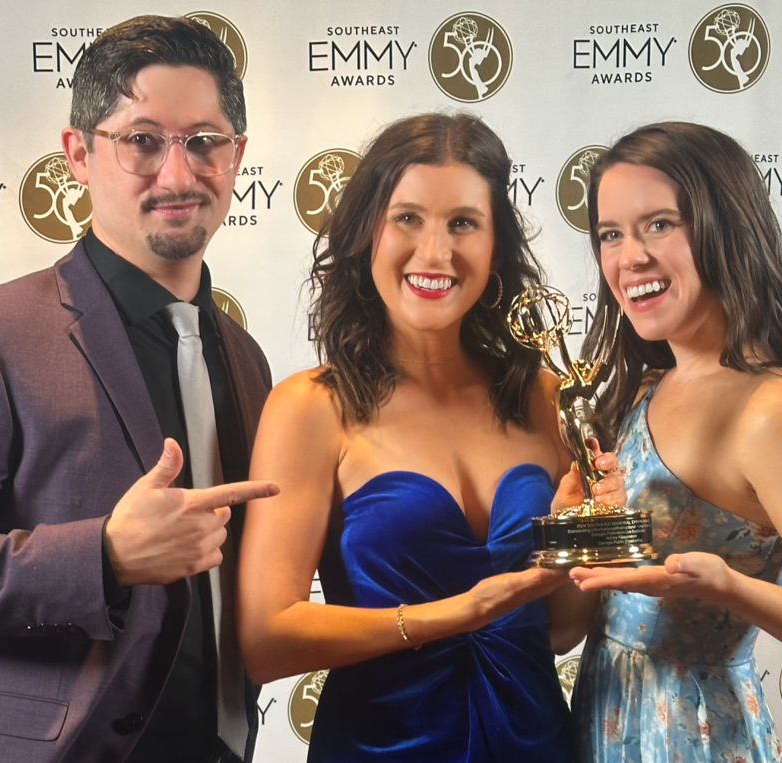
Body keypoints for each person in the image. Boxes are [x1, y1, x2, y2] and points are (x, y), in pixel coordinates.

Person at [0, 16, 278, 763]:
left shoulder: (247, 359)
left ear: (237, 157)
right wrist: (103, 555)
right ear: (78, 154)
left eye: (204, 141)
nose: (177, 173)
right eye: (142, 140)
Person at [237, 113, 625, 762]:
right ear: (367, 234)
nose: (436, 253)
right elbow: (266, 639)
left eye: (463, 223)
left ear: (496, 244)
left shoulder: (548, 397)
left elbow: (557, 631)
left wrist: (578, 543)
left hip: (537, 743)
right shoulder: (312, 407)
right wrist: (458, 613)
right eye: (407, 218)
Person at [568, 121, 782, 763]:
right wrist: (576, 525)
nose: (630, 258)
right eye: (611, 234)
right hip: (602, 718)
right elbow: (567, 628)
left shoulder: (773, 409)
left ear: (724, 226)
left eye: (660, 224)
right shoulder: (640, 389)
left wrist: (728, 588)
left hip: (697, 736)